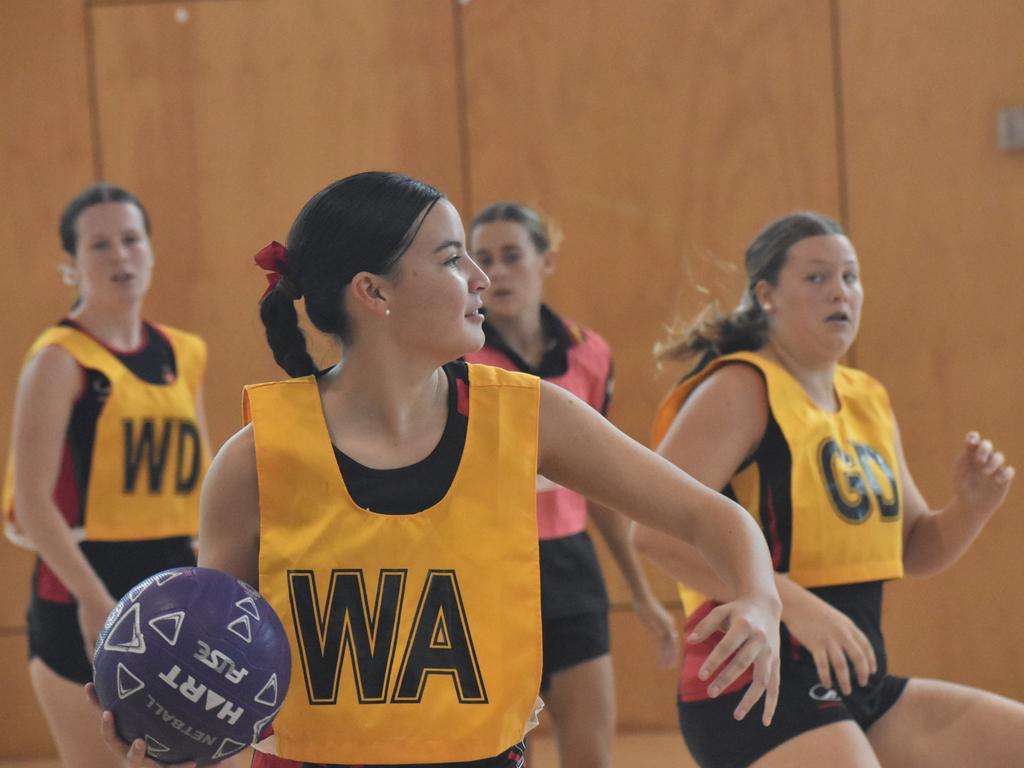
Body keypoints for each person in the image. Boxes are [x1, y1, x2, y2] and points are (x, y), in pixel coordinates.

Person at [96, 171, 781, 768]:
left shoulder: (529, 415)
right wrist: (175, 748)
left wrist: (758, 596)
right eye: (454, 260)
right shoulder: (255, 458)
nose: (481, 279)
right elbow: (223, 679)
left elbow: (710, 515)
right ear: (374, 291)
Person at [635, 211, 1024, 767]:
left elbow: (916, 549)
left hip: (857, 686)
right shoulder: (740, 387)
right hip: (752, 686)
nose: (839, 291)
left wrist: (970, 508)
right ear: (766, 295)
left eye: (850, 276)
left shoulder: (867, 397)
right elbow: (651, 530)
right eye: (817, 277)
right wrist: (791, 604)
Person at [3, 183, 209, 768]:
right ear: (70, 264)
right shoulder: (58, 358)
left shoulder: (183, 352)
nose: (120, 256)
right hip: (83, 587)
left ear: (150, 250)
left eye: (131, 239)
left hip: (171, 580)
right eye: (99, 245)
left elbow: (203, 482)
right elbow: (34, 503)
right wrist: (96, 601)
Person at [464, 202, 677, 768]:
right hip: (488, 569)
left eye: (513, 256)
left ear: (546, 261)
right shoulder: (457, 357)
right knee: (507, 754)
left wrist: (641, 589)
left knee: (591, 755)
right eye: (483, 258)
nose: (498, 271)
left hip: (570, 569)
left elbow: (602, 485)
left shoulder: (589, 352)